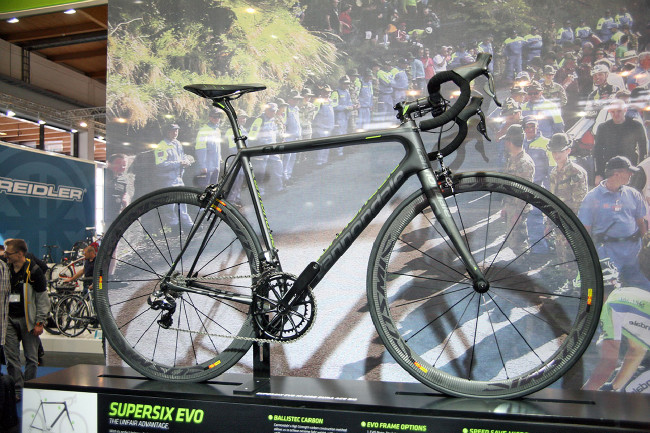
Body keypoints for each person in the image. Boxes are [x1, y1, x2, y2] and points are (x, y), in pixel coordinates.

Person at [578, 156, 649, 291]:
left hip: (633, 253)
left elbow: (641, 223)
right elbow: (585, 229)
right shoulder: (592, 198)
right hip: (607, 254)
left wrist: (645, 247)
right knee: (607, 291)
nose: (631, 175)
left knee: (643, 289)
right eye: (628, 172)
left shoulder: (633, 194)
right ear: (617, 174)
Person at [2, 239, 49, 402]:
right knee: (11, 358)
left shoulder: (34, 271)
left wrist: (40, 322)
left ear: (20, 253)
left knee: (31, 358)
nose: (6, 255)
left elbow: (42, 300)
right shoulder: (5, 268)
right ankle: (17, 390)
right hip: (8, 319)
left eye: (9, 253)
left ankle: (30, 387)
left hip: (29, 320)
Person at [583, 285, 650, 392]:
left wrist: (582, 395)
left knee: (628, 392)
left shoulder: (609, 307)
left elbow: (609, 362)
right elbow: (637, 350)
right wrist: (614, 386)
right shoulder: (625, 293)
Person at [593, 99, 648, 185]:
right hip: (611, 169)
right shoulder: (603, 128)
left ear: (625, 110)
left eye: (619, 111)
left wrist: (641, 170)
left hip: (631, 168)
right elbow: (598, 152)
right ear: (609, 111)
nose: (616, 114)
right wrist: (599, 173)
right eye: (613, 111)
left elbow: (643, 149)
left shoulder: (636, 126)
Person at [501, 124, 535, 255]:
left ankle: (524, 261)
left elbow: (525, 192)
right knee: (512, 239)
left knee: (519, 241)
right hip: (511, 205)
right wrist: (505, 207)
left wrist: (518, 214)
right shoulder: (512, 159)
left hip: (518, 208)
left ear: (509, 142)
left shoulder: (524, 163)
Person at [154, 123, 193, 227]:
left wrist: (187, 161)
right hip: (168, 179)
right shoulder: (162, 145)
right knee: (170, 206)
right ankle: (173, 225)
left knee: (183, 202)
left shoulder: (177, 143)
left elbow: (182, 156)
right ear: (167, 132)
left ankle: (188, 224)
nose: (175, 133)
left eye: (177, 130)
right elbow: (161, 164)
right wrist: (179, 163)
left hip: (179, 178)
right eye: (173, 131)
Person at [248, 102, 281, 194]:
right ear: (266, 110)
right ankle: (260, 193)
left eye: (274, 111)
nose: (272, 113)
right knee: (261, 172)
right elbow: (252, 137)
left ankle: (278, 188)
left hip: (273, 148)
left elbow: (276, 132)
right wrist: (257, 150)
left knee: (278, 165)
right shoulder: (259, 120)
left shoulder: (275, 119)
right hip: (262, 149)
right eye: (271, 110)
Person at [194, 108, 223, 189]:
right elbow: (200, 149)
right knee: (204, 188)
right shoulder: (204, 130)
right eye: (214, 117)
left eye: (218, 116)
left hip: (216, 164)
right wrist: (203, 165)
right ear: (210, 118)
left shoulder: (217, 130)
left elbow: (217, 146)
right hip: (207, 165)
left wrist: (219, 158)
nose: (217, 119)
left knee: (214, 187)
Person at [104, 153, 129, 227]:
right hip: (103, 215)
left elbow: (124, 194)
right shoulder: (101, 175)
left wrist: (125, 202)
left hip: (116, 217)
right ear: (109, 164)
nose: (121, 167)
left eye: (124, 165)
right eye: (118, 164)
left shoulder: (123, 179)